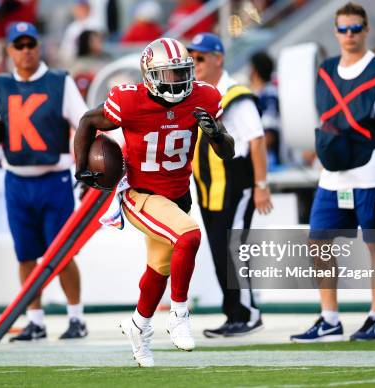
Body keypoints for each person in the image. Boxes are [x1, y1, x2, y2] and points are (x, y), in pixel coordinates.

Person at [74, 37, 234, 367]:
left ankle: (138, 325)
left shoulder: (203, 96)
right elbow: (88, 121)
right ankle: (179, 314)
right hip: (141, 194)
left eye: (182, 73)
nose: (178, 81)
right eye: (170, 75)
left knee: (158, 270)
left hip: (177, 195)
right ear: (149, 75)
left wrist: (216, 134)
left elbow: (227, 150)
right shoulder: (129, 101)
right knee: (188, 236)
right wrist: (81, 169)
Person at [290, 2, 375, 342]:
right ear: (335, 31)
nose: (349, 35)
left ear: (366, 30)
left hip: (371, 170)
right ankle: (329, 318)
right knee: (318, 241)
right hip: (333, 173)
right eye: (343, 29)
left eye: (355, 28)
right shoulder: (326, 69)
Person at [0, 22, 88, 341]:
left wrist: (83, 163)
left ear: (39, 46)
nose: (26, 51)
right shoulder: (0, 85)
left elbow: (83, 122)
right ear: (10, 50)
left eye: (30, 44)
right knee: (25, 254)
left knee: (61, 252)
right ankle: (35, 319)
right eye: (19, 45)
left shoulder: (59, 82)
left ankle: (76, 317)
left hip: (54, 178)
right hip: (16, 179)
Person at [187, 32, 272, 338]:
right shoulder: (195, 93)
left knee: (234, 249)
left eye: (200, 57)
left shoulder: (235, 94)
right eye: (191, 57)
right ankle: (233, 313)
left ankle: (248, 314)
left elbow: (257, 140)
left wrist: (261, 184)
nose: (194, 63)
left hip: (236, 180)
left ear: (218, 58)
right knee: (220, 252)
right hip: (209, 185)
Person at [249, 51, 281, 170]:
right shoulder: (260, 93)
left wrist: (251, 157)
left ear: (255, 71)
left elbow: (269, 134)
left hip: (269, 162)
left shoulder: (269, 95)